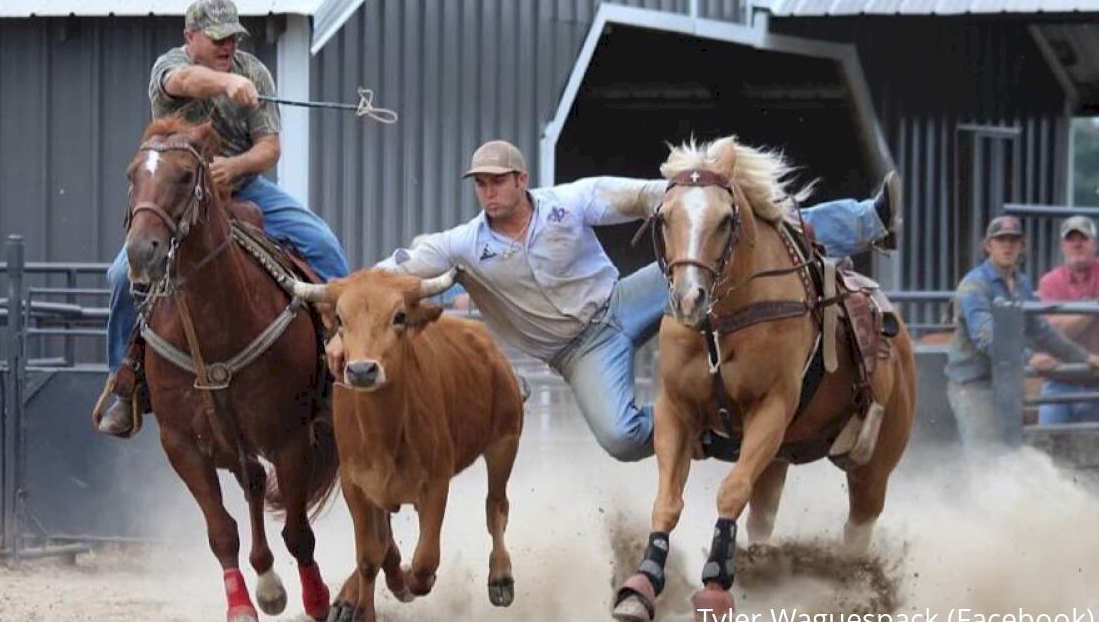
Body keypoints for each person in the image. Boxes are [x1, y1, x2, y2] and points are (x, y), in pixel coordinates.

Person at [334, 139, 902, 462]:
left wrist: (698, 190)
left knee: (724, 225)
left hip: (622, 301)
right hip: (577, 350)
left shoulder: (568, 203)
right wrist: (349, 310)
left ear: (520, 179)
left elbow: (647, 197)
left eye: (497, 180)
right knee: (624, 439)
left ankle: (866, 219)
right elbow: (397, 271)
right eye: (480, 183)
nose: (488, 191)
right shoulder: (463, 245)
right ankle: (719, 437)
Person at [96, 0, 350, 435]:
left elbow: (270, 145)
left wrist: (235, 167)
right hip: (178, 192)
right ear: (190, 38)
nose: (227, 44)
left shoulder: (255, 72)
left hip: (242, 186)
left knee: (323, 244)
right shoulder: (171, 66)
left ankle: (341, 348)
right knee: (123, 275)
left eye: (232, 36)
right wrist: (224, 84)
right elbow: (183, 81)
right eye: (217, 37)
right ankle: (126, 381)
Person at [944, 215, 1099, 454]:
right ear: (988, 246)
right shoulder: (974, 286)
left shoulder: (1021, 284)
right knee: (985, 457)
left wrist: (1084, 357)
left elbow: (1042, 331)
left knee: (1008, 454)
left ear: (1022, 246)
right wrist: (1029, 357)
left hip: (1006, 381)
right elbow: (985, 335)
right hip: (975, 384)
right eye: (1001, 240)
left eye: (1013, 240)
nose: (1007, 246)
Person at [1033, 215, 1099, 424]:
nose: (1077, 244)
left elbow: (1060, 328)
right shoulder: (1050, 282)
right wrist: (1093, 309)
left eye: (1084, 238)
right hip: (1060, 380)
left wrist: (1070, 318)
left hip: (1096, 380)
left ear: (1094, 244)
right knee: (1050, 443)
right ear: (1063, 246)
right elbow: (1053, 334)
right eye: (1071, 239)